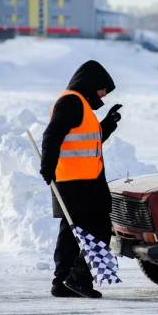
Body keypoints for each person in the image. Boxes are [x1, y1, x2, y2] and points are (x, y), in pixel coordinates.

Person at [40, 60, 122, 298]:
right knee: (99, 230)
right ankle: (78, 280)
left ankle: (62, 283)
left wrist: (107, 125)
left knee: (70, 234)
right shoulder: (72, 102)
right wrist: (47, 166)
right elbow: (52, 134)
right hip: (81, 183)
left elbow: (84, 144)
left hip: (76, 181)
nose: (104, 94)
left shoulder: (79, 104)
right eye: (103, 88)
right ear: (91, 83)